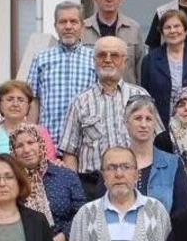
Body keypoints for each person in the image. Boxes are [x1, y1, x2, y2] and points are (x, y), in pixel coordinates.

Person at [60, 36, 151, 199]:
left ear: (125, 61)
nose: (108, 60)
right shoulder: (80, 102)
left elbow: (156, 141)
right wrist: (74, 191)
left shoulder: (141, 96)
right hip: (93, 186)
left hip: (136, 182)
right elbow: (69, 153)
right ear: (94, 60)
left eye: (114, 55)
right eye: (102, 55)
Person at [26, 1, 97, 143]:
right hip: (49, 142)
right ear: (55, 26)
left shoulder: (95, 58)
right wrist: (31, 136)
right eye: (63, 22)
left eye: (74, 22)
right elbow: (34, 100)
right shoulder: (41, 59)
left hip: (85, 142)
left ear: (82, 26)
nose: (68, 27)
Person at [140, 9, 187, 126]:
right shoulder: (150, 60)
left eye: (177, 26)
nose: (173, 31)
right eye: (167, 27)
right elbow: (145, 96)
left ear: (186, 30)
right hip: (161, 124)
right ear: (162, 32)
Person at [123, 95, 187, 213]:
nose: (143, 125)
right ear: (126, 122)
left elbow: (181, 213)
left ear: (155, 123)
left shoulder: (173, 164)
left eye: (149, 119)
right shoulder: (114, 163)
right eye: (138, 118)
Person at [83, 0, 145, 84]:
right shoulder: (83, 29)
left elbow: (141, 68)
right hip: (92, 95)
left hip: (126, 96)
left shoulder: (134, 28)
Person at [0, 81, 56, 161]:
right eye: (10, 99)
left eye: (21, 100)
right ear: (0, 104)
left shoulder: (40, 132)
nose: (15, 104)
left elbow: (50, 163)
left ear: (28, 106)